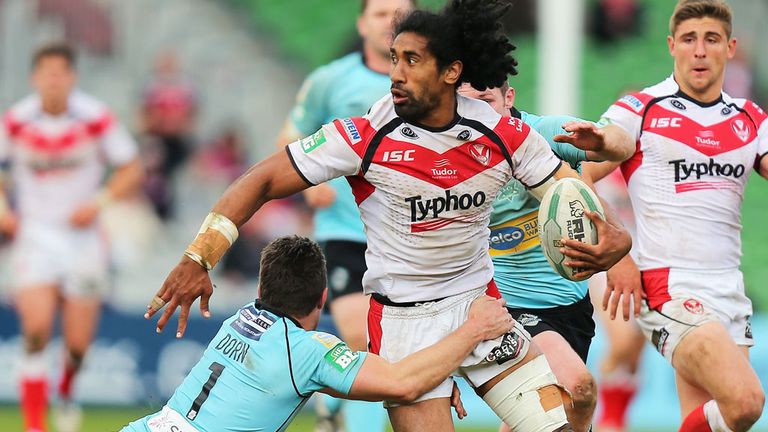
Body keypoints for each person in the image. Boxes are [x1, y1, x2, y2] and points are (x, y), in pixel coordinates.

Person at [147, 1, 632, 430]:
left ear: (451, 72)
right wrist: (199, 256)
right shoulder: (366, 136)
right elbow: (262, 179)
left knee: (566, 414)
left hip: (480, 309)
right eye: (395, 59)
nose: (396, 73)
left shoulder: (503, 135)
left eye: (412, 61)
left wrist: (615, 241)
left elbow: (566, 190)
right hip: (404, 325)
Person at [122, 235, 513, 432]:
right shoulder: (306, 352)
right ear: (323, 298)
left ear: (261, 291)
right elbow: (402, 384)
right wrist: (475, 328)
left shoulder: (239, 320)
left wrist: (438, 371)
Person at [590, 1, 767, 430]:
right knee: (746, 401)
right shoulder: (640, 109)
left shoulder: (751, 118)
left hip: (728, 288)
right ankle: (612, 421)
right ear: (672, 46)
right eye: (689, 39)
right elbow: (582, 173)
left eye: (711, 40)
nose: (700, 50)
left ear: (730, 47)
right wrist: (618, 256)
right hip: (669, 286)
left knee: (711, 418)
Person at [457, 82, 634, 432]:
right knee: (578, 384)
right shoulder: (458, 154)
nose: (480, 114)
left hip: (571, 305)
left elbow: (622, 142)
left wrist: (599, 142)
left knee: (561, 408)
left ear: (510, 97)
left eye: (488, 101)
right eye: (468, 104)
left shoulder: (542, 133)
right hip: (508, 307)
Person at [274, 1, 414, 429]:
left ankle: (331, 406)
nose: (390, 23)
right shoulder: (330, 80)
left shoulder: (428, 84)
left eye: (400, 14)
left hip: (410, 237)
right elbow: (291, 135)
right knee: (361, 336)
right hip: (345, 231)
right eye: (379, 13)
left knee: (392, 349)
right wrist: (311, 182)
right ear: (360, 24)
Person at [0, 43, 144, 432]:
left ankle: (66, 390)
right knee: (36, 329)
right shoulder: (15, 121)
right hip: (36, 235)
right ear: (35, 78)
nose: (53, 80)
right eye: (46, 73)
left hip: (83, 240)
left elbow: (131, 167)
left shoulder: (95, 117)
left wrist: (99, 202)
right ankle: (35, 425)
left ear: (72, 77)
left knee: (77, 347)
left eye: (60, 73)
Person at [583, 163, 645, 432]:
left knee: (634, 352)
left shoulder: (651, 163)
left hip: (648, 259)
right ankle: (605, 419)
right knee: (622, 341)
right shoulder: (600, 165)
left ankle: (617, 420)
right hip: (610, 261)